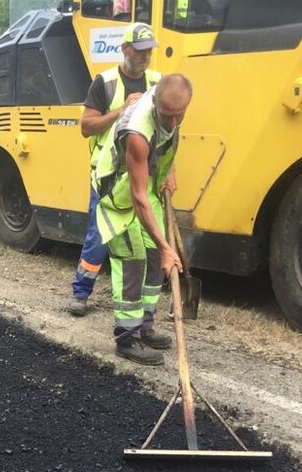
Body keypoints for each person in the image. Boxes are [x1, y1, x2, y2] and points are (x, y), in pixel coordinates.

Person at [92, 74, 190, 366]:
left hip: (144, 185)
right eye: (167, 116)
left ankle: (144, 327)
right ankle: (126, 338)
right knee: (133, 261)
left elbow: (164, 144)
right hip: (119, 191)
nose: (173, 122)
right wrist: (166, 247)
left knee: (152, 257)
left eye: (179, 116)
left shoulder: (171, 111)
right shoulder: (136, 132)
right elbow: (137, 196)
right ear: (156, 104)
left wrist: (168, 170)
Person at [69, 22, 161, 318]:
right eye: (140, 51)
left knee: (144, 241)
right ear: (125, 49)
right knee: (99, 237)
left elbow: (166, 131)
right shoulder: (105, 82)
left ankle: (139, 309)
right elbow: (86, 127)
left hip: (144, 174)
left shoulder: (157, 83)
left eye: (150, 51)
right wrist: (122, 110)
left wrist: (168, 172)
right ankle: (81, 292)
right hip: (108, 177)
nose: (146, 57)